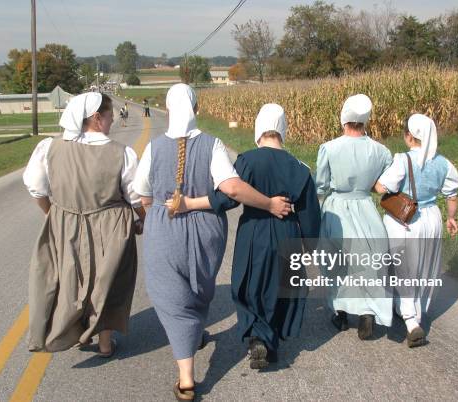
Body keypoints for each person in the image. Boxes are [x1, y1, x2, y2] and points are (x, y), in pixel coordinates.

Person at [133, 84, 291, 401]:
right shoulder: (213, 144)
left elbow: (142, 193)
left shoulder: (152, 148)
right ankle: (192, 344)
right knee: (197, 289)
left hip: (165, 226)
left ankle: (186, 378)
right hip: (207, 233)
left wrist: (155, 219)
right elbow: (231, 188)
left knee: (172, 301)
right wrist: (270, 204)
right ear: (197, 109)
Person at [174, 104, 321, 369]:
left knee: (250, 285)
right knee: (280, 287)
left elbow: (226, 198)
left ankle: (258, 337)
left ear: (258, 128)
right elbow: (310, 214)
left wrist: (190, 203)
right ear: (283, 129)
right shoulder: (300, 168)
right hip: (287, 230)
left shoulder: (248, 161)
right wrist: (310, 246)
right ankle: (269, 339)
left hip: (254, 229)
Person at [23, 92, 146, 357]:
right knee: (108, 283)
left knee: (70, 279)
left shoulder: (50, 147)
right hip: (111, 225)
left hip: (65, 222)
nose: (112, 121)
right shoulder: (121, 153)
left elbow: (36, 189)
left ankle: (75, 332)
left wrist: (53, 216)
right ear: (96, 118)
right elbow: (136, 197)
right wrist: (143, 221)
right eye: (110, 116)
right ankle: (103, 343)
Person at [374, 113, 458, 347]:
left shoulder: (403, 160)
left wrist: (374, 182)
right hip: (432, 216)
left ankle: (410, 320)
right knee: (425, 267)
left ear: (409, 136)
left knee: (402, 267)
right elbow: (452, 194)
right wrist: (451, 218)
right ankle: (417, 310)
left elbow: (382, 187)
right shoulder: (444, 163)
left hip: (404, 218)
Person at [316, 94, 393, 340]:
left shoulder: (329, 148)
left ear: (344, 118)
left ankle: (340, 311)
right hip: (366, 208)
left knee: (337, 263)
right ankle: (367, 311)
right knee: (368, 262)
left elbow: (321, 185)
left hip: (337, 207)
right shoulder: (381, 151)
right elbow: (384, 185)